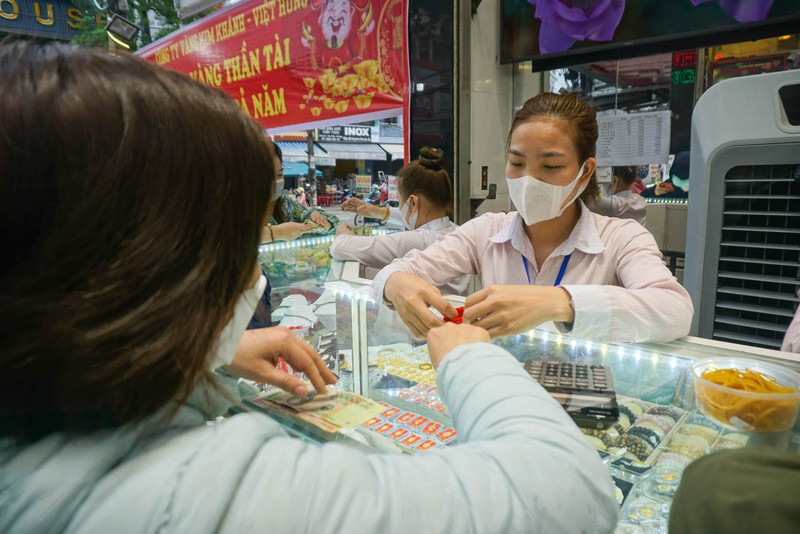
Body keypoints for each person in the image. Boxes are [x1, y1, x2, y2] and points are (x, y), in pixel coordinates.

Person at [0, 41, 619, 533]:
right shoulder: (216, 495)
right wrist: (469, 354)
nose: (254, 259)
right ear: (161, 256)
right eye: (246, 227)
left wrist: (204, 355)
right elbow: (571, 494)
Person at [371, 92, 693, 341]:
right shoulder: (486, 232)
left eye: (550, 166)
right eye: (516, 163)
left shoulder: (622, 239)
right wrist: (394, 284)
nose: (529, 179)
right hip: (501, 400)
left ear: (585, 172)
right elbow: (401, 269)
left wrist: (559, 303)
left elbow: (675, 310)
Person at [331, 147, 470, 295]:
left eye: (399, 202)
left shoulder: (420, 241)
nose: (399, 207)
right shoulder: (457, 231)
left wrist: (341, 228)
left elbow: (339, 247)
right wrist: (375, 211)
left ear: (413, 202)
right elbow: (407, 217)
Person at [261, 156, 338, 244]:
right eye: (267, 175)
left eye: (279, 175)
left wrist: (324, 222)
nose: (274, 181)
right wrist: (275, 233)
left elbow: (306, 216)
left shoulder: (285, 204)